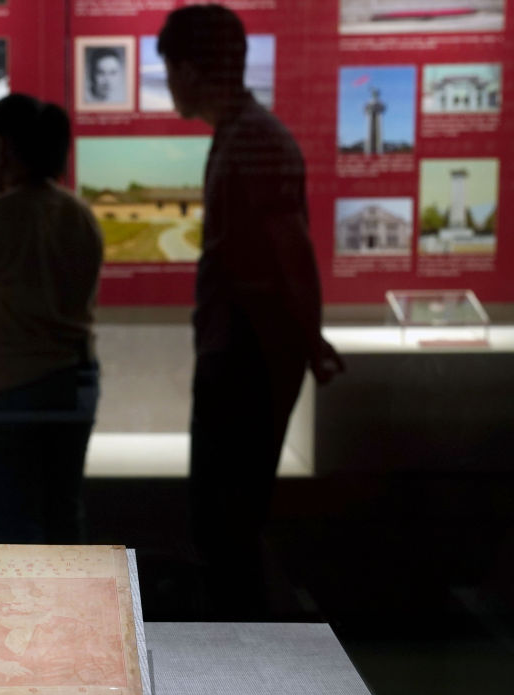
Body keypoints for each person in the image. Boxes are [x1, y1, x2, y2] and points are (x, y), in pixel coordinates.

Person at [157, 5, 345, 617]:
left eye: (170, 69)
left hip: (247, 356)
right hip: (241, 350)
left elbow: (292, 248)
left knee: (226, 526)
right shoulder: (242, 134)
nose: (169, 83)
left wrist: (310, 338)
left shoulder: (255, 138)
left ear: (191, 69)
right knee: (223, 526)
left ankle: (241, 649)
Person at [0, 93, 103, 544]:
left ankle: (24, 594)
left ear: (2, 148)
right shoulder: (78, 212)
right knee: (63, 509)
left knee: (15, 514)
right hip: (75, 374)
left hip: (13, 382)